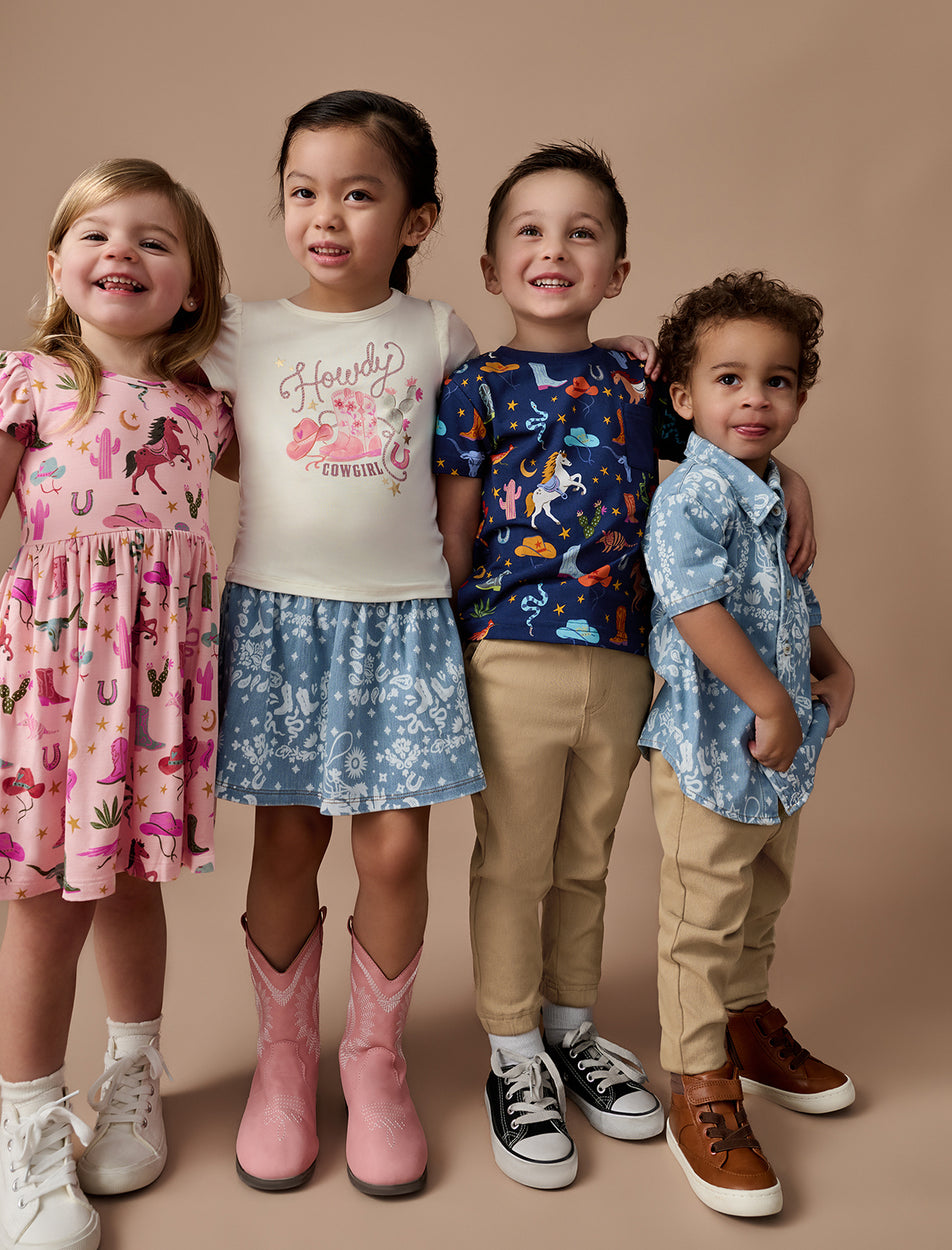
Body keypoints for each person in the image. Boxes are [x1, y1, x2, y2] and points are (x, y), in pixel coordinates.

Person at [434, 146, 816, 1191]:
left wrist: (799, 481)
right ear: (488, 262)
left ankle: (570, 1025)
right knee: (512, 857)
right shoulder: (474, 387)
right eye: (529, 230)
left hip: (622, 657)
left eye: (581, 231)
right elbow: (455, 530)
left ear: (618, 266)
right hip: (507, 653)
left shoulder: (636, 380)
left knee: (586, 855)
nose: (553, 249)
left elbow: (724, 446)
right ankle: (512, 1052)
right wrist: (445, 641)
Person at [200, 89, 488, 1199]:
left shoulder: (436, 331)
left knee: (396, 851)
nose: (327, 215)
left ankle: (374, 1059)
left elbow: (493, 439)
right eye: (304, 191)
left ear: (414, 221)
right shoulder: (242, 332)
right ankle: (285, 1060)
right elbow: (149, 390)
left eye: (359, 194)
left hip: (404, 622)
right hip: (282, 619)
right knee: (287, 845)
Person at [0, 158, 231, 1250]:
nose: (124, 252)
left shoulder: (209, 405)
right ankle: (24, 1129)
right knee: (47, 904)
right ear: (60, 270)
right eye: (98, 235)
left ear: (194, 288)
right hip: (56, 677)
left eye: (156, 241)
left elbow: (331, 473)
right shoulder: (25, 380)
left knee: (129, 881)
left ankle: (132, 1072)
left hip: (155, 686)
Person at [638, 271, 855, 1218]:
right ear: (684, 397)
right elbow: (697, 609)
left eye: (775, 381)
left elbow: (786, 603)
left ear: (799, 396)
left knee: (763, 891)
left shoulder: (772, 494)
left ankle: (747, 1023)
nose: (754, 399)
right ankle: (696, 1081)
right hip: (710, 747)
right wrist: (771, 701)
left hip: (776, 754)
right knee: (703, 912)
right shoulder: (691, 498)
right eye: (729, 380)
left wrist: (831, 664)